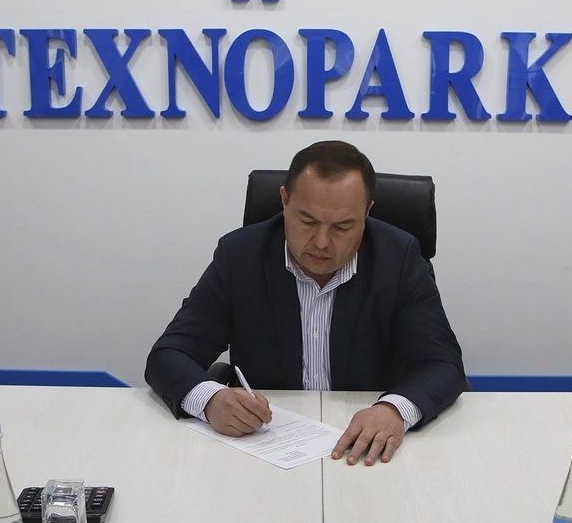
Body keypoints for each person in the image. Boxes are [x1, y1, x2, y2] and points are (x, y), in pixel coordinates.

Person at [145, 140, 465, 466]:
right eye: (308, 221)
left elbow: (443, 364)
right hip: (263, 447)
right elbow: (169, 355)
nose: (322, 242)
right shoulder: (239, 256)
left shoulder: (399, 259)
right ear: (284, 200)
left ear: (367, 213)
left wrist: (394, 409)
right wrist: (210, 399)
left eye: (342, 226)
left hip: (366, 448)